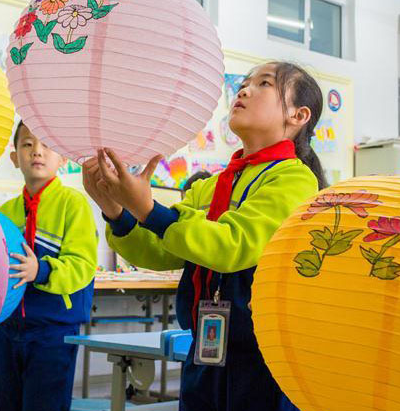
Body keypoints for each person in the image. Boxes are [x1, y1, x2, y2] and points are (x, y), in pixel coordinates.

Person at [83, 61, 327, 411]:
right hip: (208, 348)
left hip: (261, 358)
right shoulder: (214, 184)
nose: (243, 90)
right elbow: (162, 252)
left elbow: (233, 244)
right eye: (244, 83)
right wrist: (118, 213)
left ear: (298, 115)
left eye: (264, 85)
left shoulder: (294, 179)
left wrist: (150, 211)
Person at [0, 122, 98, 411]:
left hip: (53, 330)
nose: (37, 151)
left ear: (63, 158)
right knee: (7, 404)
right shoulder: (4, 213)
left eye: (47, 145)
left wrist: (40, 270)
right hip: (7, 328)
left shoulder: (73, 204)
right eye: (27, 144)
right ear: (14, 157)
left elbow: (83, 265)